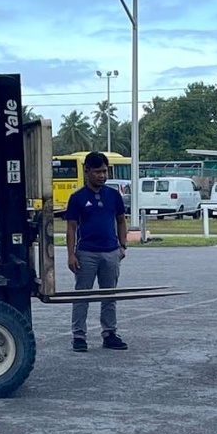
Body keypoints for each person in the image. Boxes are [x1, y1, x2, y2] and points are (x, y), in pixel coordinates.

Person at [66, 151, 128, 352]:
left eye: (105, 171)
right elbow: (71, 228)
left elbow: (120, 220)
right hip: (86, 253)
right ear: (87, 171)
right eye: (98, 171)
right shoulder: (77, 198)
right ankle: (79, 336)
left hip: (110, 252)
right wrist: (71, 254)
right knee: (82, 295)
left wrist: (123, 245)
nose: (102, 175)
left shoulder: (113, 195)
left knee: (109, 294)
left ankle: (109, 333)